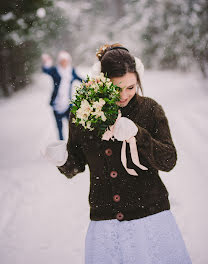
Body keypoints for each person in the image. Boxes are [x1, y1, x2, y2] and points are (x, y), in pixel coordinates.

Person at [45, 43, 192, 263]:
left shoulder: (150, 110)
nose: (124, 96)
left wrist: (139, 135)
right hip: (105, 222)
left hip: (151, 217)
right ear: (101, 83)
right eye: (116, 89)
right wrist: (63, 160)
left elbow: (168, 160)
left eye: (131, 88)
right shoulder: (83, 112)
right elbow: (76, 165)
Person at [42, 50, 83, 140]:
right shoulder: (55, 70)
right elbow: (45, 70)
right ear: (59, 61)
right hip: (56, 104)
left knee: (73, 126)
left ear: (68, 61)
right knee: (59, 128)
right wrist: (46, 62)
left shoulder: (71, 71)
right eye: (62, 60)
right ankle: (61, 146)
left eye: (66, 60)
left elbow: (80, 79)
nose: (64, 62)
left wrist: (90, 83)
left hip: (68, 104)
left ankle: (72, 145)